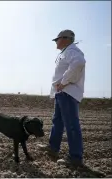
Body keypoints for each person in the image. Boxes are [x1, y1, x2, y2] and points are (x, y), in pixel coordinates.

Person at [37, 29, 86, 167]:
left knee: (71, 124)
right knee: (57, 121)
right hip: (62, 93)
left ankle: (75, 158)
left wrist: (64, 82)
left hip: (67, 92)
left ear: (65, 39)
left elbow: (79, 63)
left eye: (57, 39)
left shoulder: (72, 50)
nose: (56, 42)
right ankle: (53, 148)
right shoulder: (65, 52)